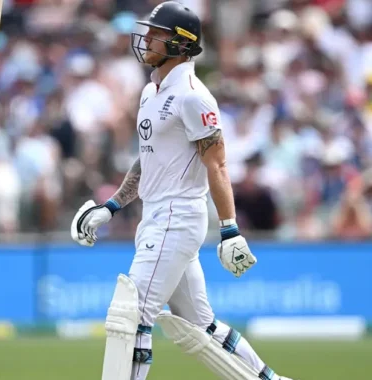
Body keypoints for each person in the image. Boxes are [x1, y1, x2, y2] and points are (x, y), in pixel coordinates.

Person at [70, 3, 292, 380]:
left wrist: (229, 228)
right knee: (201, 326)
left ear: (179, 43)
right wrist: (111, 206)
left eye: (156, 33)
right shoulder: (149, 92)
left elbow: (217, 164)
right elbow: (147, 160)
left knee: (132, 315)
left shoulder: (194, 96)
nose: (146, 39)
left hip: (178, 217)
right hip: (156, 217)